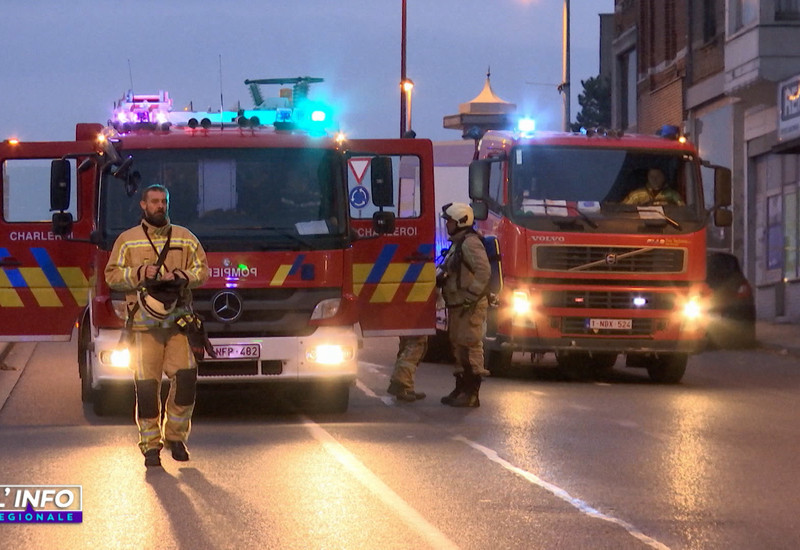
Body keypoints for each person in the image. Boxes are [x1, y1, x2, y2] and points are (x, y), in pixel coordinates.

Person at [105, 184, 209, 468]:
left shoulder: (186, 238)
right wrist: (141, 273)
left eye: (164, 201)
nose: (160, 206)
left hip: (178, 324)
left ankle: (176, 437)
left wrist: (183, 275)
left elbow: (203, 270)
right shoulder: (127, 240)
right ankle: (151, 447)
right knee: (147, 389)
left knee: (186, 380)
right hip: (143, 326)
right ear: (143, 205)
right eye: (154, 201)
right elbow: (112, 276)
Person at [438, 202, 491, 408]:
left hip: (470, 305)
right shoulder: (458, 243)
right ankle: (461, 388)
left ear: (461, 221)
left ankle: (472, 393)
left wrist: (472, 295)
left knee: (469, 346)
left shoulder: (470, 243)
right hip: (459, 305)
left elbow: (483, 271)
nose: (447, 225)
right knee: (458, 346)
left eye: (450, 221)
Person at [386, 335, 428, 402]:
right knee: (414, 349)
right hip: (414, 328)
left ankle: (407, 388)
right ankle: (399, 385)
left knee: (407, 347)